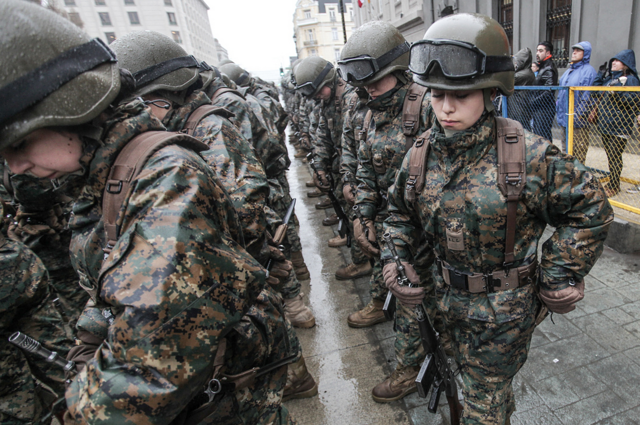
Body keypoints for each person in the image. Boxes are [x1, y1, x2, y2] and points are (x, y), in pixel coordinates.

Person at [0, 2, 293, 423]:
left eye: (19, 143)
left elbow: (154, 363)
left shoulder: (167, 179)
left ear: (71, 108)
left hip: (220, 395)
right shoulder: (105, 175)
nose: (14, 166)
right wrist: (93, 332)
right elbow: (113, 277)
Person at [383, 13, 613, 424]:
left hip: (501, 317)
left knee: (480, 409)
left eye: (461, 95)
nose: (446, 107)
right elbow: (399, 214)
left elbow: (591, 207)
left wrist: (559, 273)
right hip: (442, 301)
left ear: (490, 93)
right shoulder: (420, 153)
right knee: (471, 395)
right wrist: (397, 262)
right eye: (436, 95)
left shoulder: (528, 155)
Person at [338, 20, 434, 402]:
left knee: (413, 300)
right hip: (389, 221)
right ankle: (385, 309)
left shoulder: (427, 106)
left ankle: (409, 370)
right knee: (395, 280)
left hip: (426, 228)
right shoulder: (369, 112)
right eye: (364, 85)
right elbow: (365, 165)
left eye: (376, 82)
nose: (369, 91)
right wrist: (363, 215)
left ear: (399, 71)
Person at [592, 49, 640, 197]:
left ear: (625, 65)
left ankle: (614, 185)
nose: (613, 62)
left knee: (614, 156)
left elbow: (633, 100)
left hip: (619, 126)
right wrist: (600, 75)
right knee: (610, 156)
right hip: (606, 125)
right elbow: (595, 92)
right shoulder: (610, 79)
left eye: (617, 61)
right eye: (613, 60)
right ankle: (612, 182)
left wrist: (618, 93)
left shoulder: (631, 80)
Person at [556, 41, 598, 165]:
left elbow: (588, 96)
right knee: (566, 151)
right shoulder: (568, 71)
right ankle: (567, 176)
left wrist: (577, 115)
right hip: (565, 119)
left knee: (578, 153)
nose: (574, 52)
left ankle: (578, 179)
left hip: (578, 122)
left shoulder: (589, 72)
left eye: (578, 50)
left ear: (585, 54)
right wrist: (559, 108)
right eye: (574, 50)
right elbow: (561, 93)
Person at [532, 41, 558, 142]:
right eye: (537, 50)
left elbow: (548, 91)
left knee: (543, 137)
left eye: (540, 51)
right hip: (540, 108)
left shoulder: (548, 68)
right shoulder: (544, 67)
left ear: (548, 53)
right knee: (540, 136)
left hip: (544, 109)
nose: (537, 53)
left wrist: (533, 102)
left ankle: (546, 157)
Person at [511, 47, 536, 130]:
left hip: (520, 107)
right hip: (517, 106)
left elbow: (509, 80)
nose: (515, 63)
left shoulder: (525, 74)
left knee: (522, 130)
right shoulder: (524, 72)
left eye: (517, 61)